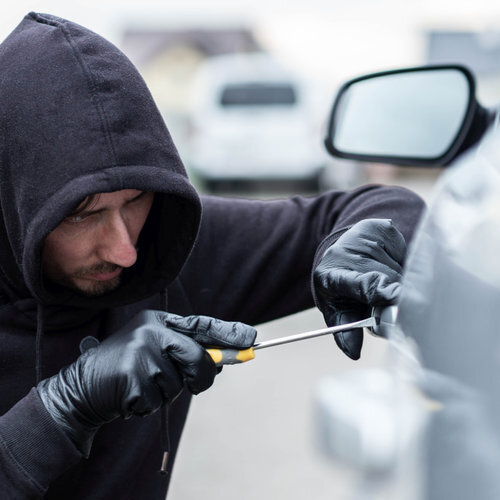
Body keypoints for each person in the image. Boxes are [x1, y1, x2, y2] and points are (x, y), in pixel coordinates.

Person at [0, 12, 425, 500]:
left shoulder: (163, 248)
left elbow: (383, 205)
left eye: (135, 200)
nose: (125, 249)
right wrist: (59, 410)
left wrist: (355, 245)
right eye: (82, 214)